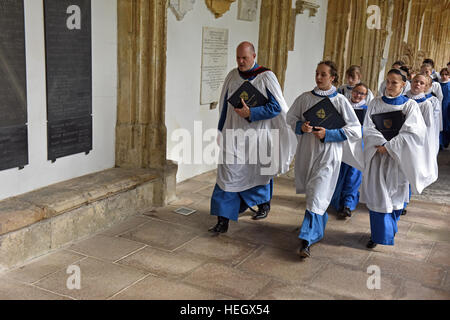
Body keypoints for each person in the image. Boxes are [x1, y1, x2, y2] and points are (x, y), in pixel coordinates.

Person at [209, 41, 297, 234]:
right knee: (227, 175)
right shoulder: (232, 76)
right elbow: (225, 105)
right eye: (238, 58)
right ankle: (222, 220)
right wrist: (220, 131)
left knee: (257, 173)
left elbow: (277, 108)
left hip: (257, 137)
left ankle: (263, 204)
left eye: (245, 58)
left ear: (254, 56)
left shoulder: (266, 77)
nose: (240, 61)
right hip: (233, 135)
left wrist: (252, 112)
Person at [286, 61, 362, 258]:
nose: (318, 78)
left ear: (333, 78)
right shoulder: (304, 98)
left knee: (317, 194)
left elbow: (355, 129)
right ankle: (316, 228)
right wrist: (301, 127)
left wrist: (329, 134)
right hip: (307, 153)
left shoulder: (340, 102)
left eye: (323, 74)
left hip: (329, 155)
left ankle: (306, 240)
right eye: (317, 73)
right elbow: (290, 118)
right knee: (313, 194)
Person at [360, 68, 428, 249]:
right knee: (378, 196)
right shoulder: (375, 103)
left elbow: (414, 133)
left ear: (403, 85)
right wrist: (381, 143)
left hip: (398, 159)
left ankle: (390, 229)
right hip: (377, 155)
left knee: (396, 197)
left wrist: (389, 147)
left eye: (394, 83)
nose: (389, 86)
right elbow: (367, 128)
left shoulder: (409, 106)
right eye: (388, 81)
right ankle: (378, 235)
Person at [330, 83, 369, 219]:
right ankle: (337, 202)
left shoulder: (367, 110)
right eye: (356, 92)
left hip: (359, 146)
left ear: (366, 96)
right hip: (343, 144)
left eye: (362, 94)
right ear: (352, 92)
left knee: (353, 175)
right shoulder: (344, 105)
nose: (358, 95)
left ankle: (348, 205)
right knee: (339, 174)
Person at [438, 68, 450, 149]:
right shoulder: (438, 84)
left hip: (448, 107)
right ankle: (440, 143)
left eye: (446, 74)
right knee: (440, 124)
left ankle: (446, 141)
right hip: (439, 106)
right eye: (442, 74)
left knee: (447, 124)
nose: (444, 76)